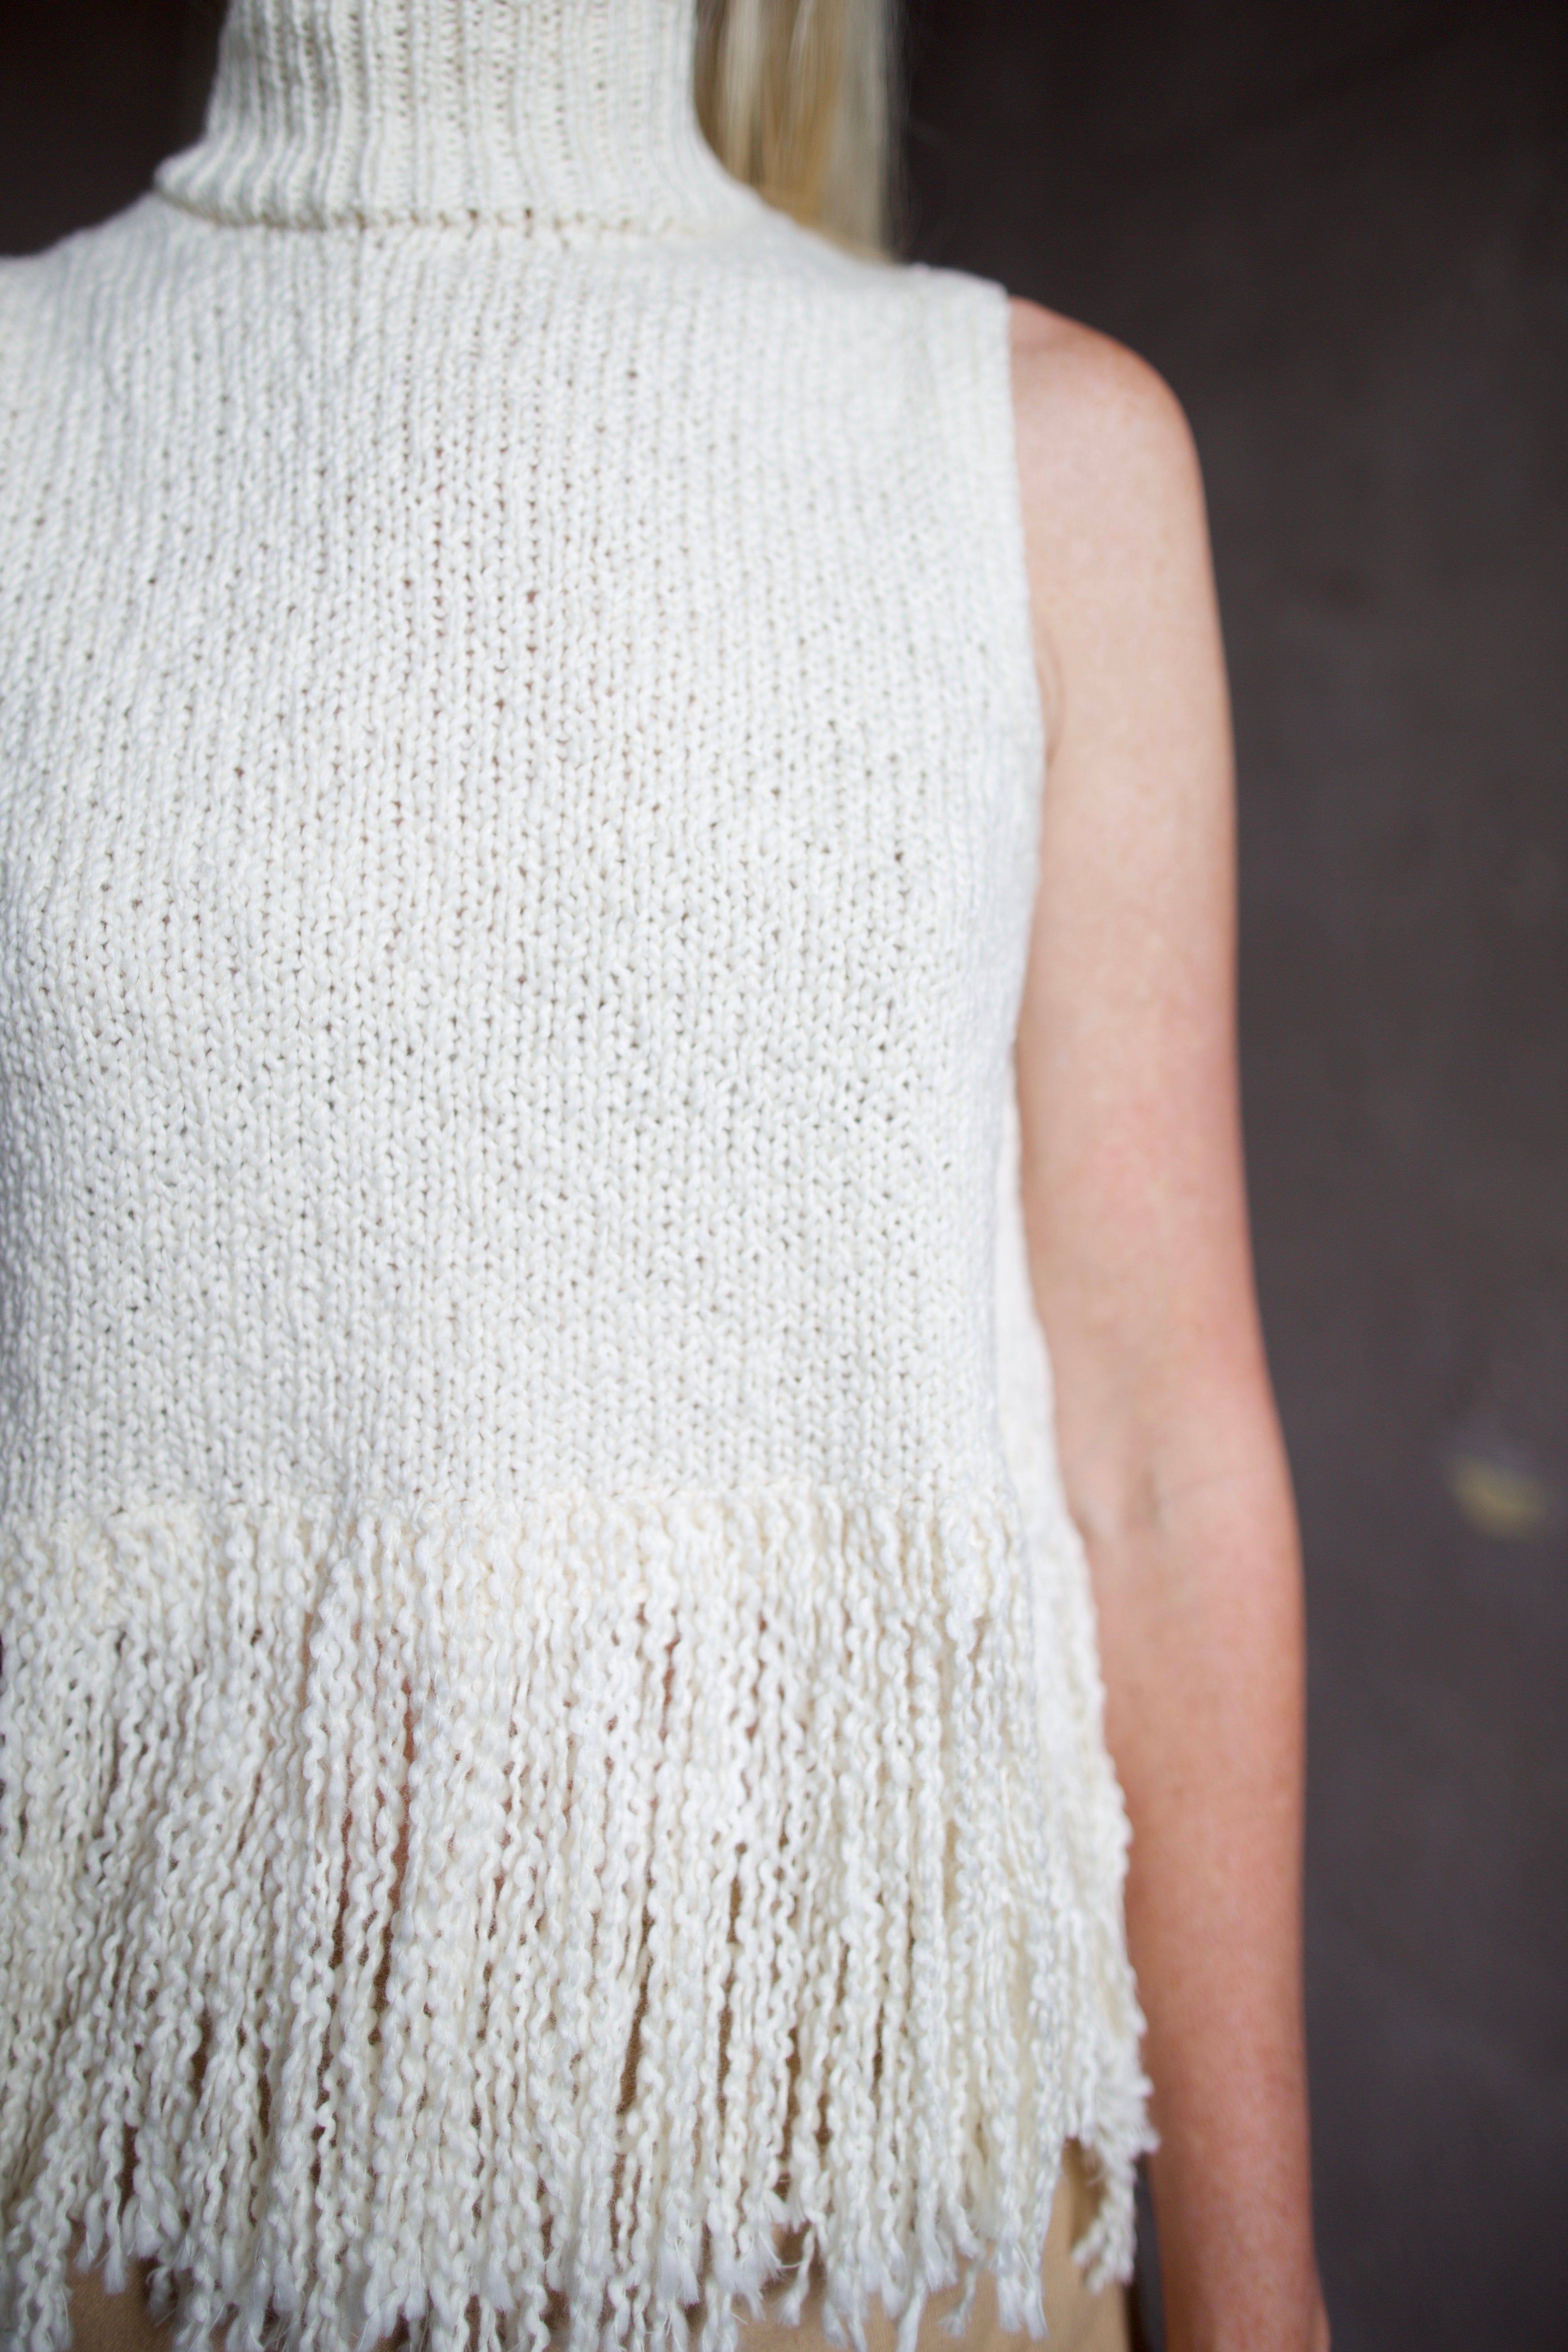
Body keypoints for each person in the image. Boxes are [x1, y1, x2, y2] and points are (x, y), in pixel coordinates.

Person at [0, 3, 1329, 2350]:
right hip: (132, 2223)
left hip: (889, 2244)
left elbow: (1153, 1463)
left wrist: (1261, 2309)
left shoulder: (1029, 459)